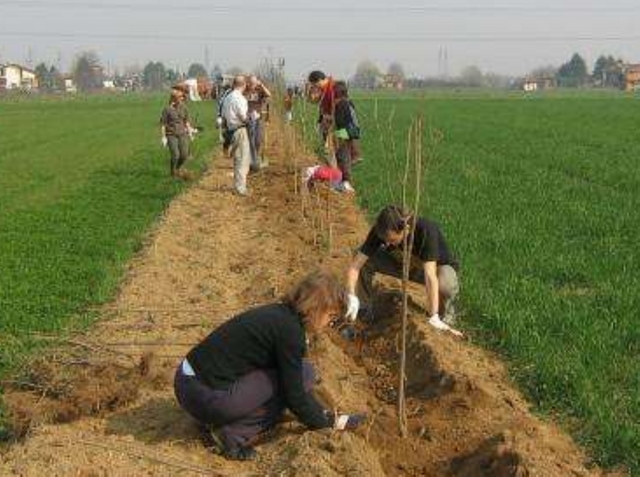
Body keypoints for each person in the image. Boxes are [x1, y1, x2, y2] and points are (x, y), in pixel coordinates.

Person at [174, 271, 366, 461]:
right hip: (203, 396)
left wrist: (322, 413)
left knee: (303, 371)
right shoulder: (290, 334)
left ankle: (215, 419)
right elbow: (295, 396)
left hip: (188, 383)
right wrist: (324, 423)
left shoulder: (279, 315)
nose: (330, 322)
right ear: (314, 308)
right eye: (330, 315)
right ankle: (231, 435)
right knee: (300, 377)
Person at [344, 205, 462, 336]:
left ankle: (444, 319)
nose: (387, 244)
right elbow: (356, 265)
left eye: (392, 240)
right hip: (403, 264)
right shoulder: (381, 231)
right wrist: (351, 294)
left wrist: (433, 315)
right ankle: (363, 310)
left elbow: (430, 276)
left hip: (432, 271)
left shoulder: (426, 231)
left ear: (406, 229)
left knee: (445, 282)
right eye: (385, 240)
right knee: (366, 261)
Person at [221, 75, 251, 196]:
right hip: (239, 130)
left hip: (230, 130)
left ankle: (238, 185)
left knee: (238, 159)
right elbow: (242, 116)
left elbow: (223, 116)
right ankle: (240, 188)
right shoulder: (240, 99)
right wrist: (249, 120)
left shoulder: (227, 98)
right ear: (243, 85)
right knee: (242, 159)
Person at [333, 81, 361, 193]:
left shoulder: (341, 104)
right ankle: (355, 154)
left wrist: (336, 134)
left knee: (343, 155)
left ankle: (346, 183)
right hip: (353, 130)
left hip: (347, 131)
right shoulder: (349, 102)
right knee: (345, 154)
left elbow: (340, 122)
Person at [160, 89, 194, 178]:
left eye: (182, 97)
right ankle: (173, 171)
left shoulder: (184, 108)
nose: (182, 98)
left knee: (184, 155)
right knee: (175, 154)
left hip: (182, 134)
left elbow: (186, 121)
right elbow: (163, 124)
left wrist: (190, 132)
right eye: (179, 97)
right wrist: (163, 137)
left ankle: (178, 168)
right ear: (173, 98)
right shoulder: (167, 109)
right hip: (171, 135)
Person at [245, 75, 272, 171]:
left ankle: (256, 156)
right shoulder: (245, 90)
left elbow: (269, 94)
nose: (253, 85)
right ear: (248, 83)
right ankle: (253, 160)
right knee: (250, 139)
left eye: (254, 83)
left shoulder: (260, 90)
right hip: (249, 118)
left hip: (259, 118)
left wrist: (262, 85)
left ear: (257, 83)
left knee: (258, 139)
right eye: (251, 83)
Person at [307, 70, 336, 148]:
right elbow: (313, 100)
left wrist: (330, 118)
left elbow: (336, 106)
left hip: (336, 118)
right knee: (323, 133)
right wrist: (309, 91)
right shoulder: (323, 88)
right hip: (327, 117)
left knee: (339, 141)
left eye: (314, 84)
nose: (315, 87)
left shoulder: (332, 87)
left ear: (319, 80)